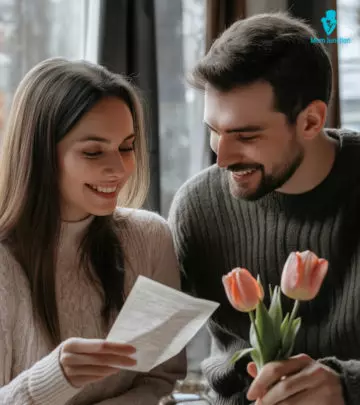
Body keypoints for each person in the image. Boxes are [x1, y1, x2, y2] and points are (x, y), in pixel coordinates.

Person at [168, 12, 360, 405]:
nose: (221, 158)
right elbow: (147, 352)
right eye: (213, 131)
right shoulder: (197, 207)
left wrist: (347, 385)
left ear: (310, 120)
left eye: (246, 135)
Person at [0, 57, 186, 405]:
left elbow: (162, 378)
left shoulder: (151, 239)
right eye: (93, 151)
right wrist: (55, 377)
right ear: (40, 155)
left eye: (126, 147)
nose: (118, 168)